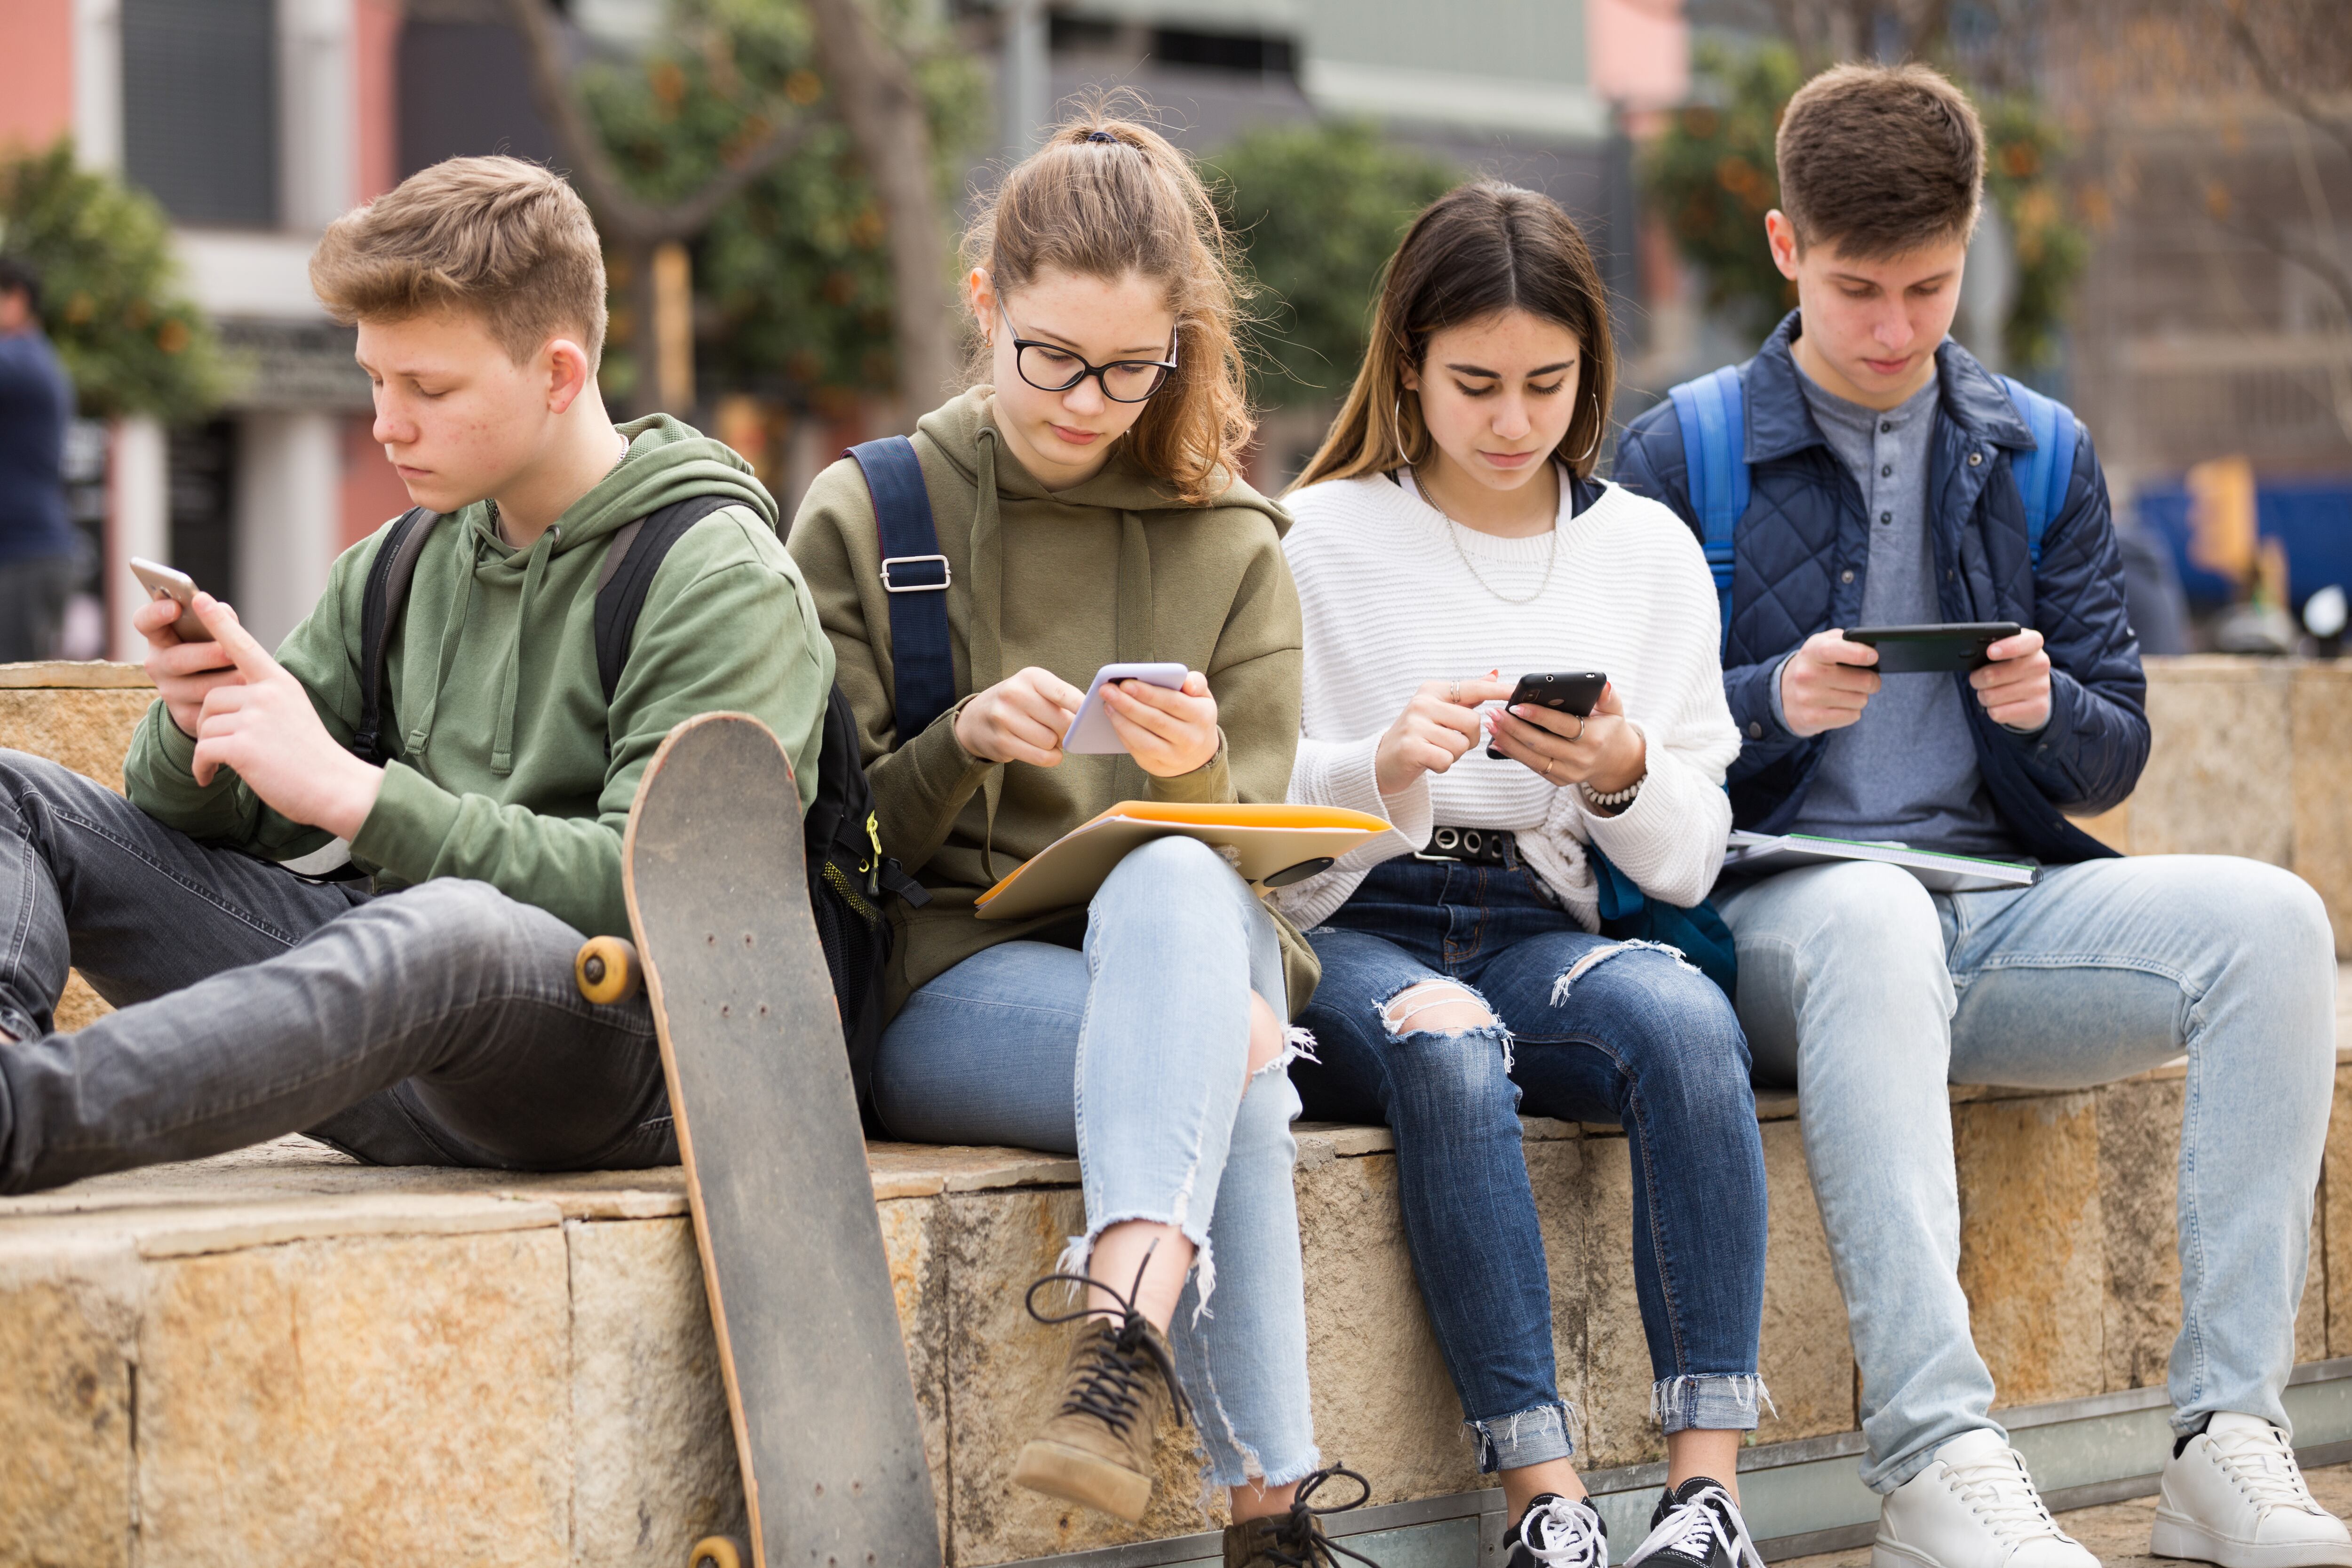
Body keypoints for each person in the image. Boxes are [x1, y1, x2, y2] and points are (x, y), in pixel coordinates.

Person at [1614, 63, 2348, 1568]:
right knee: (1873, 913)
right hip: (1761, 920)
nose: (1892, 331)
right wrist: (1766, 704)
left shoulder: (2039, 453)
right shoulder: (1673, 455)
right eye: (1855, 289)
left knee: (2278, 922)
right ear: (1779, 248)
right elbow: (1616, 772)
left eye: (1928, 288)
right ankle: (1937, 1458)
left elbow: (2110, 753)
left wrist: (2042, 710)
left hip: (1992, 908)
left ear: (1971, 248)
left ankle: (2225, 1441)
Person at [0, 156, 832, 1191]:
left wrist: (361, 797)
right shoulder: (400, 560)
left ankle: (22, 1119)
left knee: (451, 925)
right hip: (388, 1038)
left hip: (607, 1063)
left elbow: (670, 891)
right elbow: (195, 836)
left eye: (428, 388)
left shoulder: (720, 578)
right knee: (16, 792)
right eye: (375, 381)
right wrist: (198, 722)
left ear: (559, 374)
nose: (388, 423)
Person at [788, 111, 1374, 1568]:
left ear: (1177, 350)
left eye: (1127, 369)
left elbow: (1265, 853)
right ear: (987, 305)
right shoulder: (874, 512)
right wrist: (958, 742)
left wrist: (1204, 787)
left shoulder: (1233, 540)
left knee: (1180, 884)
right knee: (1223, 1051)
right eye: (1050, 354)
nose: (1082, 400)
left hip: (1183, 950)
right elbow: (815, 834)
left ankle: (1113, 1346)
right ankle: (1270, 1522)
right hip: (948, 979)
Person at [1276, 181, 1771, 1568]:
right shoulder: (1311, 538)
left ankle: (1703, 1494)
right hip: (1346, 917)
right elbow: (1244, 803)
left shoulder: (1643, 552)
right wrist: (1375, 763)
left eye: (1546, 384)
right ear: (1407, 366)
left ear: (1588, 371)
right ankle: (1541, 1500)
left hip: (1527, 916)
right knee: (1446, 1048)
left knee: (1680, 1018)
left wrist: (1615, 765)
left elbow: (1685, 853)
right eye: (1474, 384)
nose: (1511, 421)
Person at [0, 256, 79, 663]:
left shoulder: (20, 363)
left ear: (16, 300)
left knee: (14, 704)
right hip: (29, 556)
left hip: (24, 560)